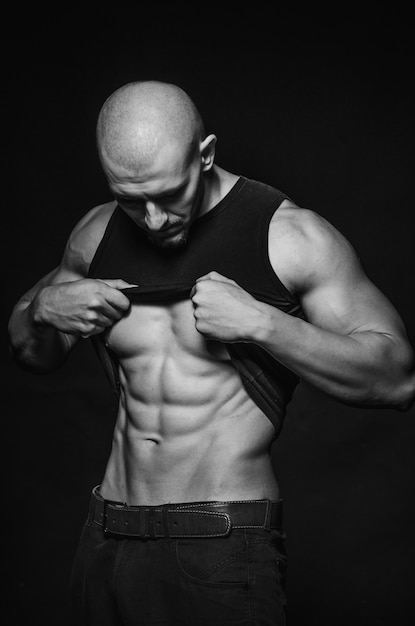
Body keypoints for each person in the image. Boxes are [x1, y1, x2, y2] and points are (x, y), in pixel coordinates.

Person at [8, 80, 415, 626]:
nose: (153, 220)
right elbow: (32, 354)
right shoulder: (97, 235)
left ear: (205, 155)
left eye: (168, 195)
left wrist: (264, 324)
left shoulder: (287, 236)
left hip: (220, 543)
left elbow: (397, 379)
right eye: (132, 200)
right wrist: (40, 311)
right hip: (105, 536)